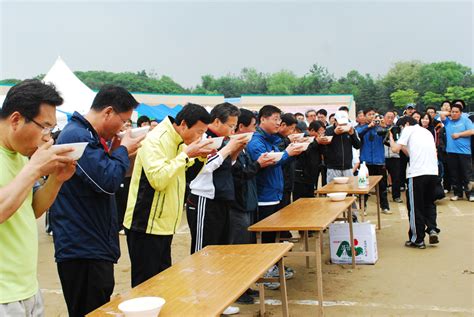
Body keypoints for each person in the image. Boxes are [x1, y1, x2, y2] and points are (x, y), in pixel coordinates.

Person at [49, 85, 144, 317]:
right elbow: (107, 181)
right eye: (123, 121)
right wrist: (123, 151)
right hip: (82, 247)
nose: (123, 128)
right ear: (108, 112)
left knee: (98, 306)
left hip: (94, 244)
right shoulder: (77, 136)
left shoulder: (90, 136)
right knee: (89, 310)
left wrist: (122, 153)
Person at [0, 80, 76, 316]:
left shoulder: (21, 154)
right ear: (15, 120)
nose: (48, 138)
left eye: (51, 130)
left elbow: (30, 209)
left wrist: (56, 180)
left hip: (29, 288)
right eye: (44, 127)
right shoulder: (27, 161)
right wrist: (33, 169)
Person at [123, 103, 213, 288]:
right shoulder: (156, 139)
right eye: (198, 132)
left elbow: (185, 175)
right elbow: (158, 179)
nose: (200, 137)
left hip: (164, 224)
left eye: (203, 133)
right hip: (146, 224)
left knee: (162, 283)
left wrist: (201, 157)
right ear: (182, 124)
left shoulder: (179, 141)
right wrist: (186, 156)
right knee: (145, 286)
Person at [229, 109, 275, 304]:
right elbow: (240, 175)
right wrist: (258, 165)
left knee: (246, 247)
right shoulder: (232, 148)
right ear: (241, 127)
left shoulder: (245, 146)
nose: (254, 130)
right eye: (252, 126)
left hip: (248, 202)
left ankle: (245, 286)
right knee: (237, 249)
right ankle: (237, 291)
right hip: (238, 204)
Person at [389, 116, 440, 249]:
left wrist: (390, 137)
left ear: (406, 124)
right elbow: (410, 152)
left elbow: (395, 149)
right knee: (429, 203)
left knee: (415, 207)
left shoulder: (408, 129)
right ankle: (432, 228)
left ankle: (417, 239)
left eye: (400, 127)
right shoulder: (426, 132)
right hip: (433, 172)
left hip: (417, 174)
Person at [355, 108, 391, 214]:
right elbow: (357, 136)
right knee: (364, 185)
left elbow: (388, 139)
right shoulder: (360, 128)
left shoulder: (380, 127)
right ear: (364, 116)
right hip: (365, 161)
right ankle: (363, 207)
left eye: (374, 115)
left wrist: (384, 126)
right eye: (369, 114)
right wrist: (369, 126)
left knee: (382, 186)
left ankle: (385, 207)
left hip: (379, 160)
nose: (372, 116)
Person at [439, 103, 474, 201]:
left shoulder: (466, 120)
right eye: (452, 112)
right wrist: (449, 113)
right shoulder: (448, 122)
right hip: (451, 152)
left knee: (467, 174)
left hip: (464, 152)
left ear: (461, 113)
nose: (454, 114)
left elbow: (472, 131)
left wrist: (459, 135)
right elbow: (442, 114)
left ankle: (470, 194)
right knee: (454, 174)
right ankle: (457, 194)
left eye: (456, 112)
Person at [293, 120, 326, 200]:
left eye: (323, 133)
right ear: (311, 131)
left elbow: (323, 154)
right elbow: (304, 153)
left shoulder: (318, 141)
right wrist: (316, 142)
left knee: (310, 199)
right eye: (319, 132)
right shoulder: (302, 139)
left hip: (313, 175)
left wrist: (323, 144)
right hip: (301, 175)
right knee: (299, 201)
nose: (320, 135)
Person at [325, 111, 361, 183]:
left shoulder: (350, 129)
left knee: (349, 190)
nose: (342, 125)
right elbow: (325, 144)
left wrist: (352, 135)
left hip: (348, 167)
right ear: (335, 121)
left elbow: (358, 146)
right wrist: (334, 133)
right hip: (333, 167)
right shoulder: (328, 130)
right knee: (333, 190)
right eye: (340, 123)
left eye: (345, 123)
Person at [276, 113, 298, 209]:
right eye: (291, 128)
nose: (292, 131)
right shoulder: (275, 138)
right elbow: (279, 156)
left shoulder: (284, 139)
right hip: (281, 183)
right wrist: (287, 140)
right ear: (283, 125)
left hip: (288, 180)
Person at [383, 110, 403, 203]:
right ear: (384, 117)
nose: (390, 119)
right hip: (382, 156)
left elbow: (399, 140)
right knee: (382, 178)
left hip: (395, 156)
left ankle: (396, 196)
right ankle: (383, 197)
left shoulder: (396, 128)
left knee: (396, 177)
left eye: (392, 117)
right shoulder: (380, 128)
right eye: (388, 117)